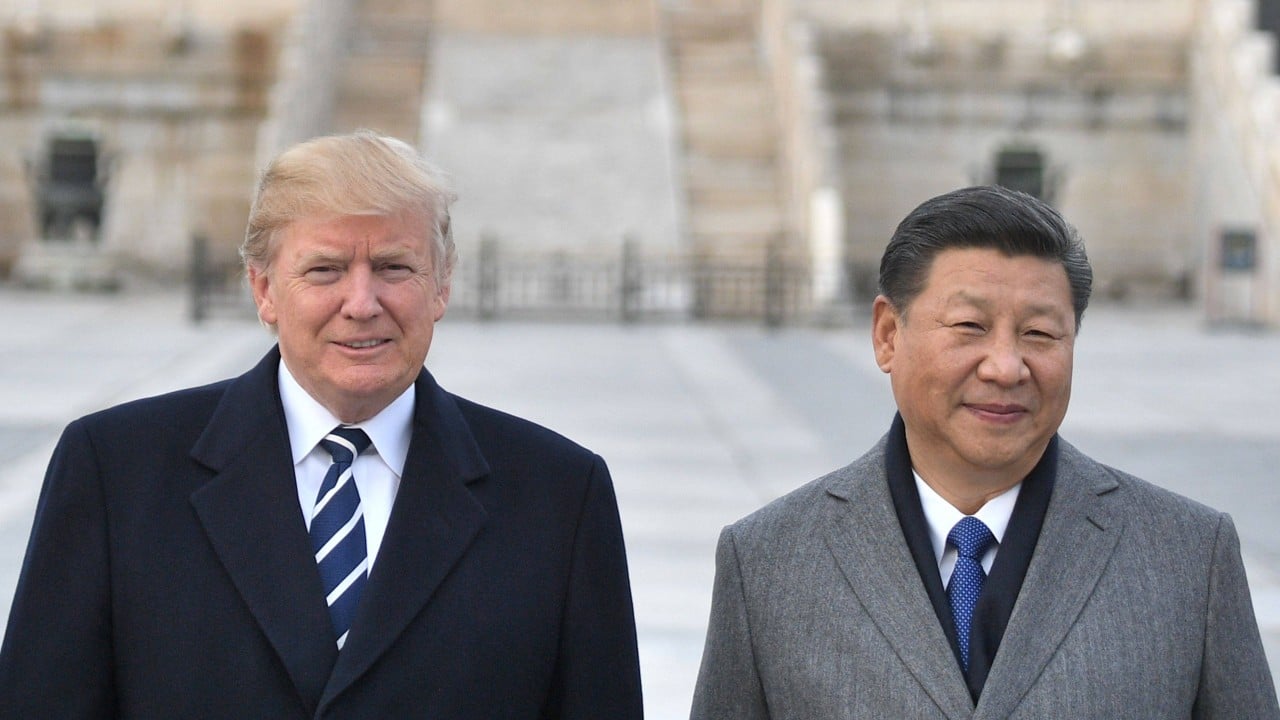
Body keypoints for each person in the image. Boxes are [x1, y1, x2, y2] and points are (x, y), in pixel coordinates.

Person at [0, 130, 644, 719]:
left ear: (442, 285)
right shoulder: (115, 472)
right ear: (263, 290)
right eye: (324, 270)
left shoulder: (560, 495)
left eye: (394, 267)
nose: (361, 304)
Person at [690, 185, 1279, 718]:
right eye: (970, 325)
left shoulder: (1188, 557)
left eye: (1040, 333)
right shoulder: (769, 561)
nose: (1005, 367)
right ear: (888, 335)